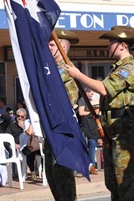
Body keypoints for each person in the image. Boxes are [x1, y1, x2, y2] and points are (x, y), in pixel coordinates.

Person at [65, 26, 134, 201]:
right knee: (113, 182)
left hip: (127, 130)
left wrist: (78, 75)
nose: (108, 46)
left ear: (123, 45)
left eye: (112, 43)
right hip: (114, 129)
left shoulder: (131, 67)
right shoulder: (117, 68)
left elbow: (104, 89)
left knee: (126, 183)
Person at [46, 29, 81, 200]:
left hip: (62, 131)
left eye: (52, 44)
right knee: (52, 175)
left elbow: (70, 101)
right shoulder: (49, 70)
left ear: (63, 48)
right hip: (51, 130)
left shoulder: (68, 70)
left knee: (62, 176)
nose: (49, 47)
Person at [78, 87, 103, 174]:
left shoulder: (98, 118)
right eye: (91, 93)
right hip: (88, 133)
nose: (92, 95)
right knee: (92, 142)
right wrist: (90, 112)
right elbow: (81, 113)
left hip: (96, 134)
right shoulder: (82, 101)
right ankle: (91, 165)